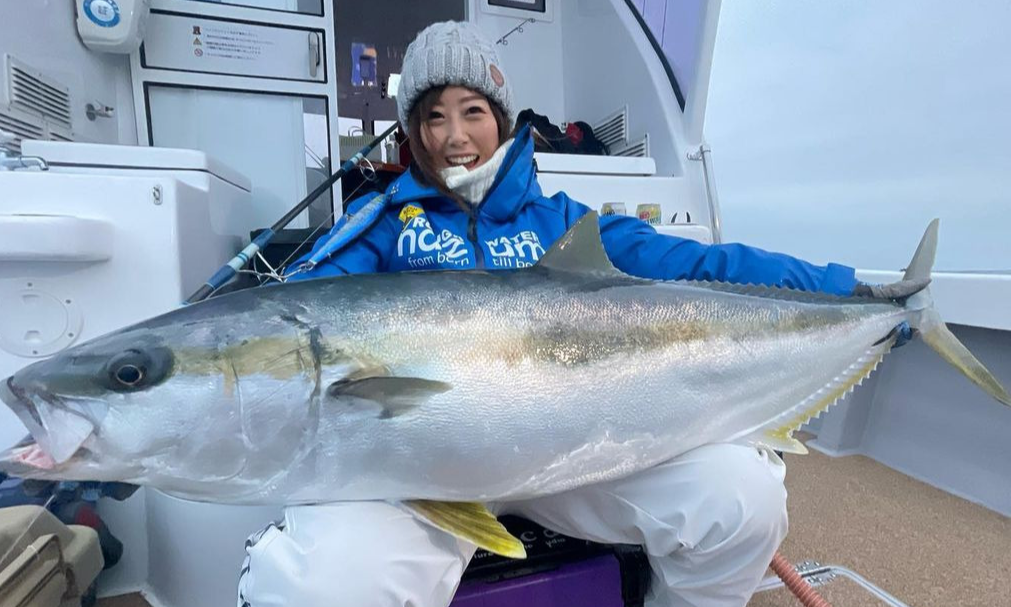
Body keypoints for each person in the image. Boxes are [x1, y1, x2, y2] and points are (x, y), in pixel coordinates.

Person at [238, 21, 914, 607]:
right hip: (418, 469)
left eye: (472, 110)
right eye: (433, 117)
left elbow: (705, 266)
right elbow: (304, 311)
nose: (454, 136)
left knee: (742, 498)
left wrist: (848, 291)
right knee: (322, 585)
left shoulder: (563, 223)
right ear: (414, 131)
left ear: (502, 117)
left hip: (575, 451)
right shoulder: (380, 224)